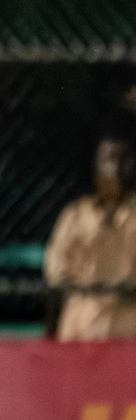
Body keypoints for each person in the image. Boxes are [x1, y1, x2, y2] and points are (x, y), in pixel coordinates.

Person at [45, 135, 136, 340]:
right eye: (107, 159)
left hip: (127, 330)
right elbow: (56, 275)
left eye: (121, 160)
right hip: (78, 329)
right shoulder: (74, 216)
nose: (113, 168)